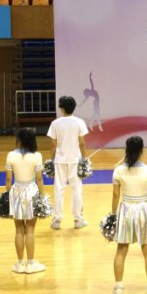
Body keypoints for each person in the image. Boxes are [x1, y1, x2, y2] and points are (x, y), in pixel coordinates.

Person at [111, 136, 147, 294]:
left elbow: (115, 195)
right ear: (141, 150)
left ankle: (118, 288)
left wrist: (113, 215)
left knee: (121, 250)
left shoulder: (118, 170)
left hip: (125, 209)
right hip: (142, 210)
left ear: (126, 150)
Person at [6, 127, 46, 274]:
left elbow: (8, 179)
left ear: (19, 140)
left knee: (18, 230)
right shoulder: (37, 156)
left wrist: (6, 197)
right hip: (31, 192)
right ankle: (30, 263)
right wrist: (42, 197)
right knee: (30, 229)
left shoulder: (11, 155)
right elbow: (39, 179)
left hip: (16, 192)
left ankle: (19, 264)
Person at [47, 95, 88, 230]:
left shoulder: (55, 123)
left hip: (60, 160)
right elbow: (82, 144)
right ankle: (78, 220)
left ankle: (57, 220)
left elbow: (53, 145)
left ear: (62, 108)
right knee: (77, 190)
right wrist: (84, 159)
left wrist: (52, 160)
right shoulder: (79, 122)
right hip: (75, 160)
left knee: (59, 189)